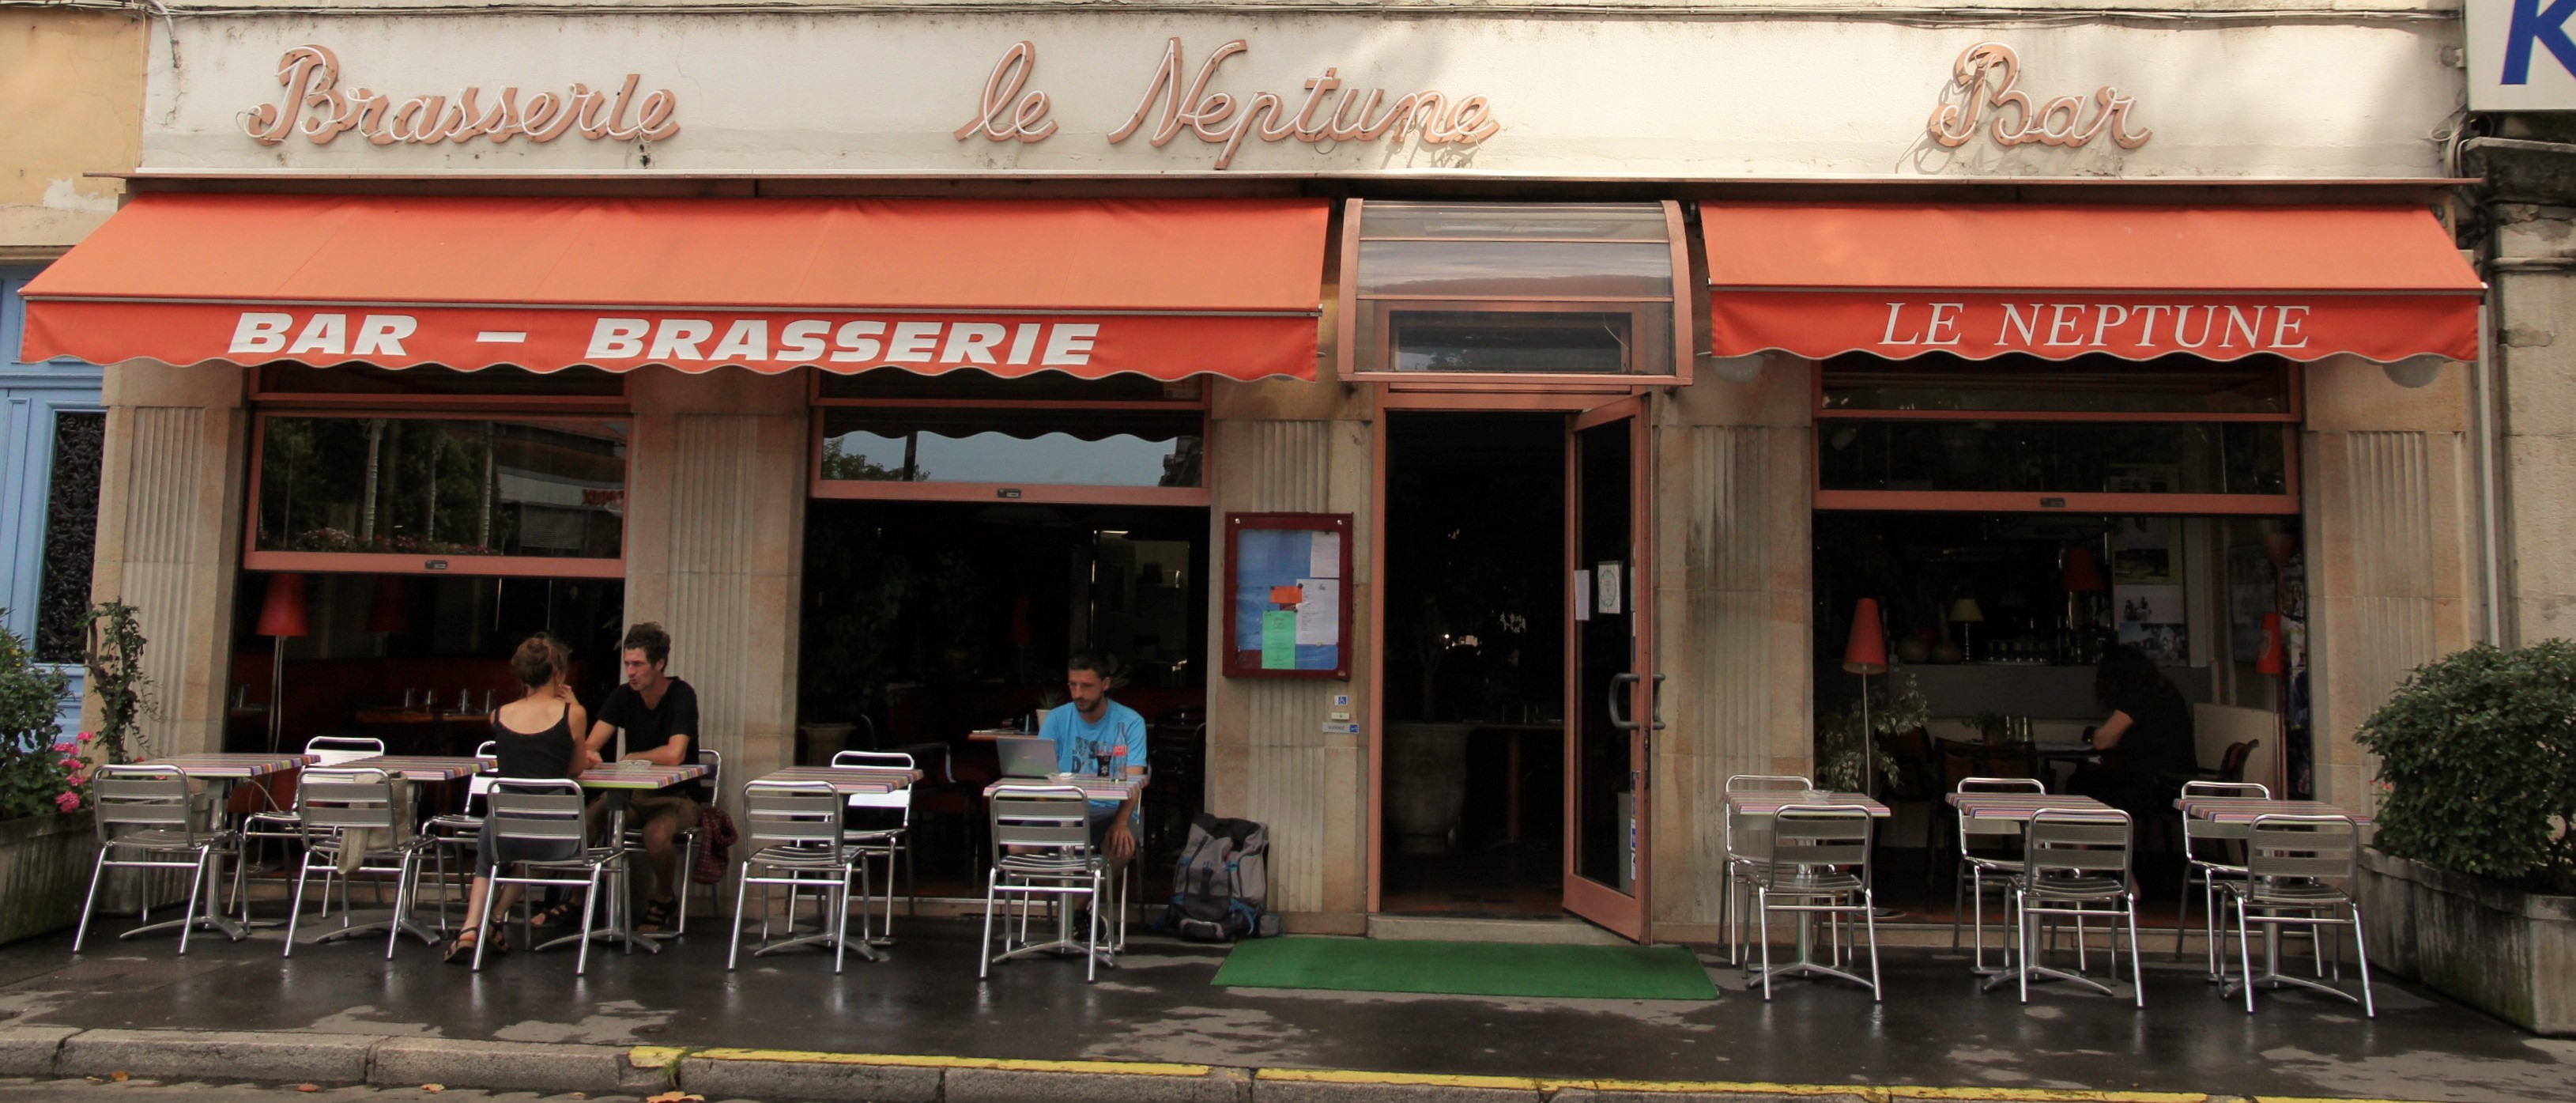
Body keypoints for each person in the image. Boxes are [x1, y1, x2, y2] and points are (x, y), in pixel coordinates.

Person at [446, 635, 593, 963]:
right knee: (536, 843)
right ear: (558, 674)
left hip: (504, 831)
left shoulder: (498, 716)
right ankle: (494, 920)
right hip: (555, 838)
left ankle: (471, 926)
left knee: (487, 860)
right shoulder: (573, 713)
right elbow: (576, 769)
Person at [582, 621, 703, 935]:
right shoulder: (623, 696)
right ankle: (581, 898)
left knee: (656, 835)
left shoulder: (681, 694)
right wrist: (590, 753)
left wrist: (630, 758)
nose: (631, 672)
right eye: (627, 665)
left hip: (677, 797)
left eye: (638, 665)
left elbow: (676, 753)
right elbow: (592, 744)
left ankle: (663, 897)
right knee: (586, 822)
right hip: (634, 794)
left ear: (659, 664)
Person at [1037, 652, 1148, 868]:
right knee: (1018, 847)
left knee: (1118, 846)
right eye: (1072, 685)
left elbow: (1134, 783)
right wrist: (1046, 813)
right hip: (1064, 806)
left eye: (1086, 686)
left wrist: (1120, 821)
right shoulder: (1056, 718)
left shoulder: (1131, 722)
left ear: (1105, 684)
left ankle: (1077, 902)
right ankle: (1062, 899)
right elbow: (1040, 776)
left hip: (1111, 808)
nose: (1078, 694)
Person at [2070, 644, 2199, 820]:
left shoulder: (2140, 696)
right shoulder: (2162, 691)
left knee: (2079, 784)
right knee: (2091, 783)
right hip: (2176, 785)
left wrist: (2094, 736)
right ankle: (2096, 844)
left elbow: (2102, 741)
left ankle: (2088, 845)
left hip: (2159, 788)